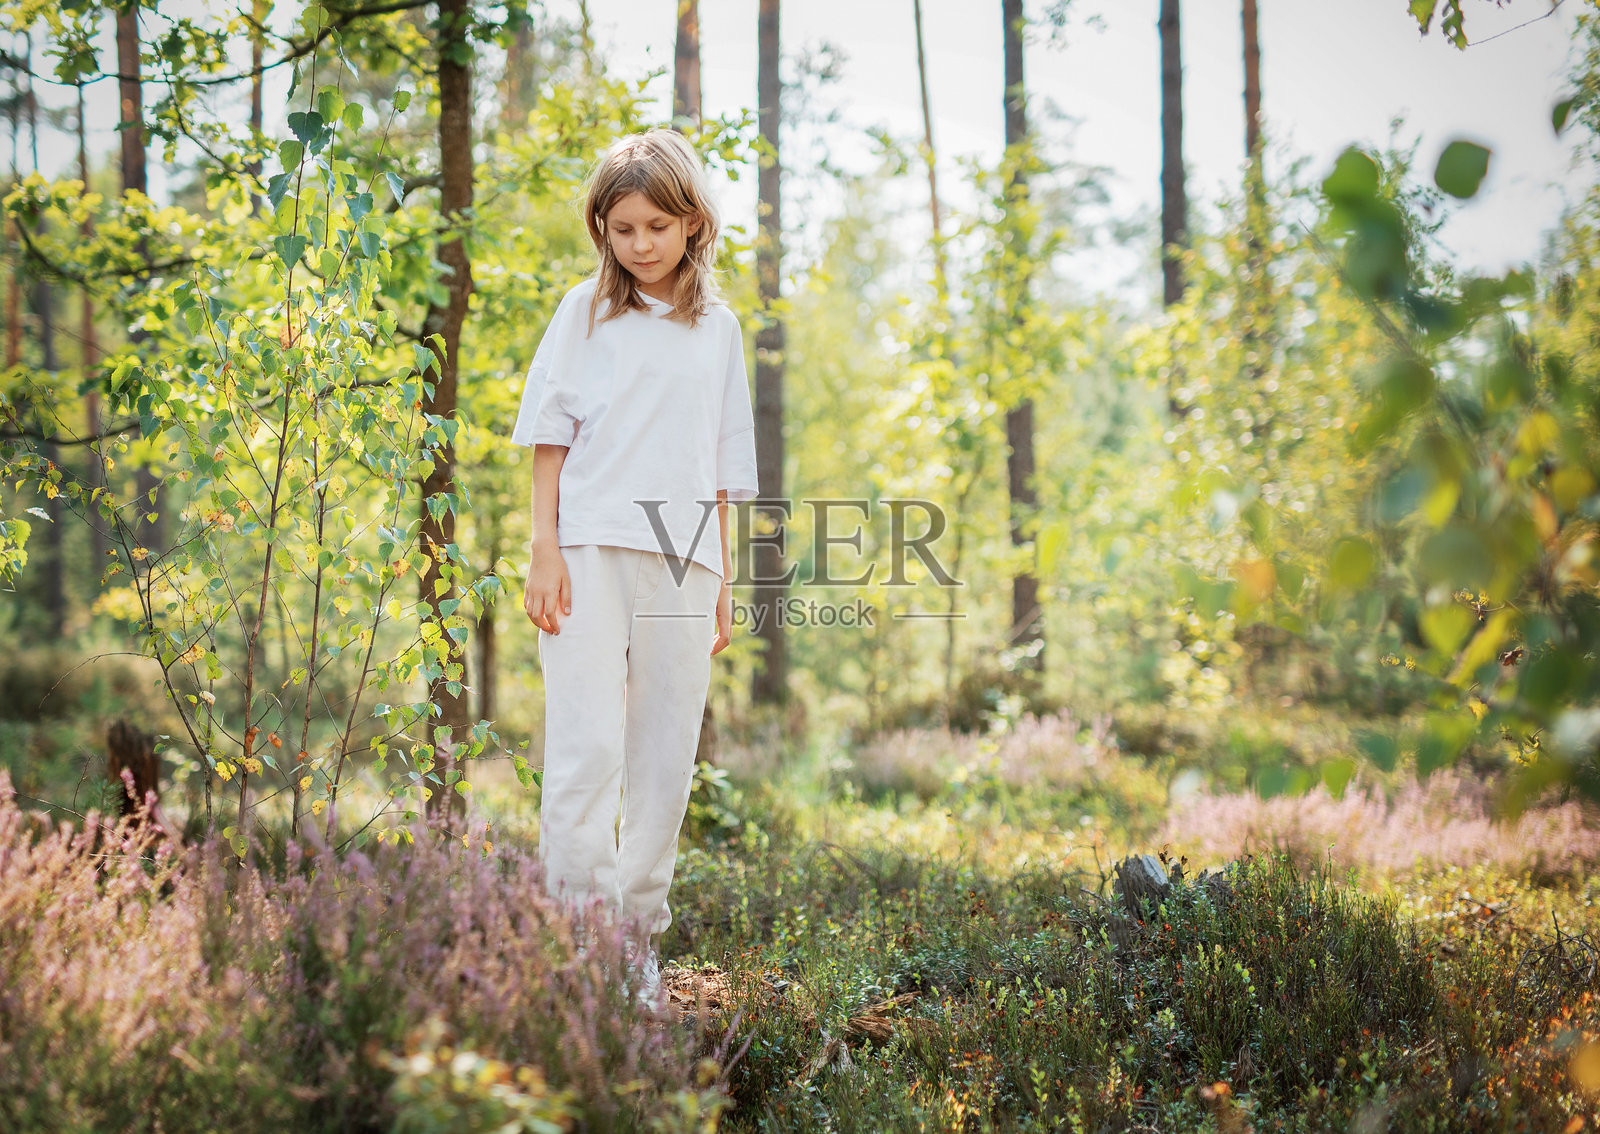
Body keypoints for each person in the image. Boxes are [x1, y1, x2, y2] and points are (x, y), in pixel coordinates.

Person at [512, 129, 759, 1009]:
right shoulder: (586, 312)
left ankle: (635, 949)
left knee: (663, 757)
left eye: (657, 224)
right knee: (586, 751)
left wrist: (725, 580)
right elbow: (548, 438)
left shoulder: (720, 329)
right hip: (585, 551)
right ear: (602, 232)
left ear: (693, 224)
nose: (640, 244)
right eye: (622, 228)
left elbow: (725, 466)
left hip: (685, 562)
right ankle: (580, 947)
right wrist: (543, 549)